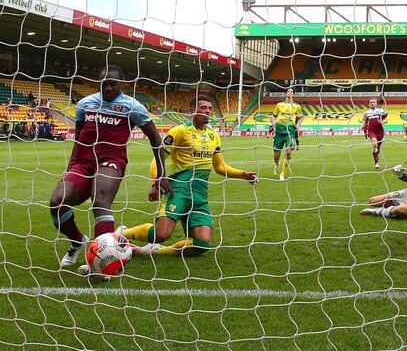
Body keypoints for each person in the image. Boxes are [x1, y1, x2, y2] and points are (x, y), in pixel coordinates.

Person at [49, 65, 172, 269]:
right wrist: (71, 165)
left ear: (121, 84)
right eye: (104, 84)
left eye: (112, 84)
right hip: (83, 161)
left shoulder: (132, 107)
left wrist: (161, 174)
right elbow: (79, 137)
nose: (107, 88)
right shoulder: (85, 104)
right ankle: (77, 241)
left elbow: (155, 138)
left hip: (112, 159)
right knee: (57, 202)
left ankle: (97, 260)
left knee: (100, 202)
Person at [119, 95, 258, 256]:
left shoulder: (214, 136)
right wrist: (155, 184)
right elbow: (156, 159)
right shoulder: (179, 131)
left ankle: (156, 251)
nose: (207, 111)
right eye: (203, 108)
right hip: (178, 190)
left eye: (210, 109)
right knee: (161, 234)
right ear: (192, 111)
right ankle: (123, 233)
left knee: (202, 243)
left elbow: (219, 167)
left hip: (199, 195)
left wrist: (243, 175)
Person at [269, 87, 303, 180]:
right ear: (286, 94)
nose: (289, 92)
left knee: (288, 153)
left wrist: (298, 125)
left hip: (290, 131)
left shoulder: (297, 106)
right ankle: (276, 165)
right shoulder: (279, 105)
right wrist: (273, 122)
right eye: (288, 91)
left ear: (294, 94)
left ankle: (282, 173)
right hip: (279, 130)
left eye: (291, 91)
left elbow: (301, 117)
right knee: (276, 155)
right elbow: (274, 116)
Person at [363, 98, 387, 169]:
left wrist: (382, 122)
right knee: (374, 144)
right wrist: (361, 127)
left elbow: (386, 120)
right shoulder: (367, 113)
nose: (372, 103)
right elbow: (365, 122)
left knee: (378, 149)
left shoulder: (381, 111)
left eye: (373, 102)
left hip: (380, 131)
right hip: (371, 131)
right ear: (369, 104)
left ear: (376, 103)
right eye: (371, 102)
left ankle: (376, 161)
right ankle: (376, 163)